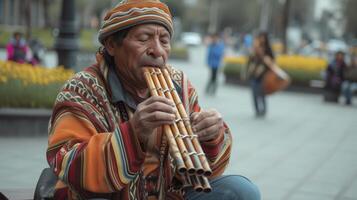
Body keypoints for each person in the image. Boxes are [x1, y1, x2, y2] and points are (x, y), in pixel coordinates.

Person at [46, 1, 260, 200]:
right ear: (112, 45)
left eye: (164, 40)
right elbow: (67, 164)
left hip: (167, 193)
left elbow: (203, 173)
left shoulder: (179, 85)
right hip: (110, 195)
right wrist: (133, 133)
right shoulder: (82, 89)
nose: (157, 50)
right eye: (143, 38)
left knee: (240, 191)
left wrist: (212, 136)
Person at [246, 32, 274, 117]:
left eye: (263, 37)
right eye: (260, 37)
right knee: (254, 93)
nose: (261, 39)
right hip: (254, 74)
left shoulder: (267, 49)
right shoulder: (254, 47)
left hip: (264, 75)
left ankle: (264, 110)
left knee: (262, 93)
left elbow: (272, 61)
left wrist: (264, 57)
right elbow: (250, 60)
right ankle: (257, 110)